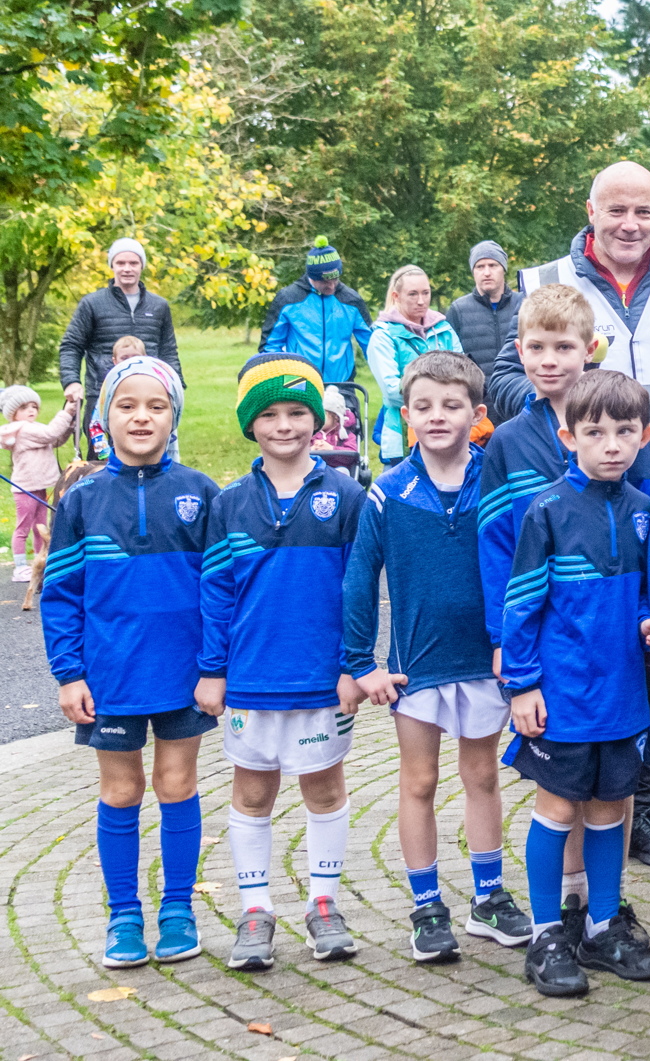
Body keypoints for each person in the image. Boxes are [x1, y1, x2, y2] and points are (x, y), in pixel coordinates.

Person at [475, 285, 650, 872]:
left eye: (563, 347)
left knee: (619, 770)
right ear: (519, 351)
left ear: (588, 350)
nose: (549, 361)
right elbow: (495, 544)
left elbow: (648, 532)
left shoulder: (620, 423)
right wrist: (501, 636)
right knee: (561, 783)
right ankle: (568, 898)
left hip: (618, 626)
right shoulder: (509, 441)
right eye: (536, 348)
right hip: (547, 629)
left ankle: (613, 892)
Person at [341, 352, 531, 963]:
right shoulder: (388, 492)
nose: (437, 416)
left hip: (484, 662)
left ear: (478, 414)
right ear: (405, 415)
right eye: (423, 406)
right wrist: (360, 662)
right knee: (419, 781)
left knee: (482, 777)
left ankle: (488, 896)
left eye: (452, 405)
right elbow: (359, 578)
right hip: (415, 668)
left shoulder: (496, 483)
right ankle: (426, 906)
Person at [41, 357, 215, 968]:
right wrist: (69, 673)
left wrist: (214, 666)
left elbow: (220, 589)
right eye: (127, 405)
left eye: (156, 406)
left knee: (177, 785)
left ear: (174, 417)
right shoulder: (82, 499)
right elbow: (61, 594)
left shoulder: (201, 493)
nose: (142, 417)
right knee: (120, 790)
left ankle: (177, 910)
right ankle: (123, 916)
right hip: (108, 677)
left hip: (184, 674)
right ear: (104, 418)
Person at [502, 369, 650, 996]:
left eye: (625, 432)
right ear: (569, 437)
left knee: (608, 810)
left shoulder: (646, 511)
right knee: (557, 808)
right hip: (563, 697)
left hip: (624, 695)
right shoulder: (545, 510)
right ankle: (548, 934)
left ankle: (602, 926)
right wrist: (523, 685)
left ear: (644, 436)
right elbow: (521, 603)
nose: (611, 445)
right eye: (595, 432)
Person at [197, 354, 367, 971]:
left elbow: (359, 590)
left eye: (298, 411)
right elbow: (216, 592)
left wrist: (354, 666)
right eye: (269, 414)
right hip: (250, 680)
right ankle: (255, 909)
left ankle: (324, 904)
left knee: (323, 788)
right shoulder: (229, 503)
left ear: (318, 420)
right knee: (252, 793)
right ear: (250, 424)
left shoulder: (347, 496)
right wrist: (212, 669)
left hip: (322, 680)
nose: (285, 425)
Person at [491, 162, 650, 442]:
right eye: (616, 211)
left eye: (643, 212)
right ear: (591, 211)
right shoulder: (545, 282)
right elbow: (505, 379)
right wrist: (556, 399)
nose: (630, 225)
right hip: (583, 464)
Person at [59, 238, 183, 432]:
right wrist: (71, 381)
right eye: (120, 263)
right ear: (112, 266)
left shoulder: (158, 305)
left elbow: (168, 349)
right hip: (102, 393)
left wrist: (176, 385)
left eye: (133, 263)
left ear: (141, 266)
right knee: (101, 450)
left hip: (149, 394)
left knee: (147, 447)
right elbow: (71, 345)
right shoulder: (92, 303)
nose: (127, 269)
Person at [368, 265, 464, 463]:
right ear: (396, 296)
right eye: (412, 294)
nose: (421, 301)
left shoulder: (444, 329)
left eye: (425, 293)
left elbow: (464, 377)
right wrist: (443, 395)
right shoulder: (383, 336)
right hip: (403, 438)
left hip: (448, 432)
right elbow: (392, 391)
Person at [262, 238, 373, 384]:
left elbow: (372, 345)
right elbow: (270, 347)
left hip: (341, 383)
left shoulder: (351, 300)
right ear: (312, 277)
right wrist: (278, 378)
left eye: (335, 279)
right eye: (325, 281)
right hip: (297, 382)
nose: (331, 286)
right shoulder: (288, 298)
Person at [1, 383, 79, 581]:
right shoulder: (21, 429)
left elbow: (54, 440)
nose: (31, 410)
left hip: (39, 486)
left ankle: (39, 560)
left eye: (34, 406)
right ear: (12, 413)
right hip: (25, 488)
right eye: (24, 407)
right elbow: (50, 434)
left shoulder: (34, 427)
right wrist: (66, 412)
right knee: (23, 528)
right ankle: (20, 567)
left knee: (40, 526)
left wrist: (69, 426)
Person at [446, 241, 523, 376]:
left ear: (503, 269)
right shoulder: (458, 310)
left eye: (493, 265)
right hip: (476, 388)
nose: (487, 273)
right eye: (480, 267)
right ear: (473, 272)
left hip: (516, 386)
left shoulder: (523, 304)